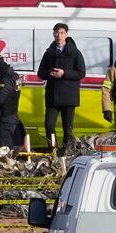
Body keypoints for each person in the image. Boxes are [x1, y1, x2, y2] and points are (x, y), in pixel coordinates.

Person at [37, 23, 86, 155]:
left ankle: (66, 152)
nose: (59, 36)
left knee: (67, 128)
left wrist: (64, 73)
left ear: (66, 34)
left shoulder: (75, 52)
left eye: (62, 33)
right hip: (52, 96)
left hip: (68, 96)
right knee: (49, 125)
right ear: (53, 34)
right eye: (57, 33)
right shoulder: (49, 53)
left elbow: (81, 73)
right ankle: (52, 150)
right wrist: (50, 73)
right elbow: (40, 72)